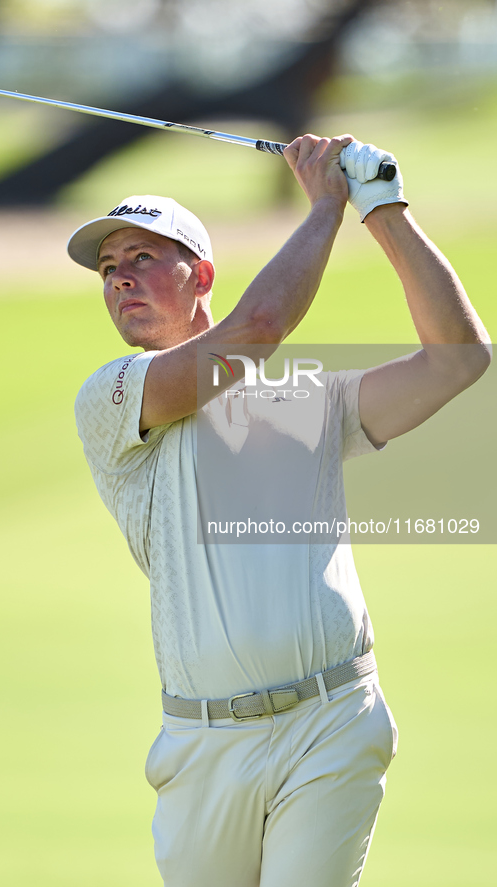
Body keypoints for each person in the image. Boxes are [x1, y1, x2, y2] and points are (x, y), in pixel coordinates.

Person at [66, 135, 490, 887]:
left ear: (200, 275)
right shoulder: (114, 397)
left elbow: (457, 359)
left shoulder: (304, 401)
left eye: (141, 260)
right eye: (108, 270)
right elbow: (255, 330)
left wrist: (383, 208)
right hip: (203, 743)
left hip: (332, 720)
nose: (119, 281)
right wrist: (327, 201)